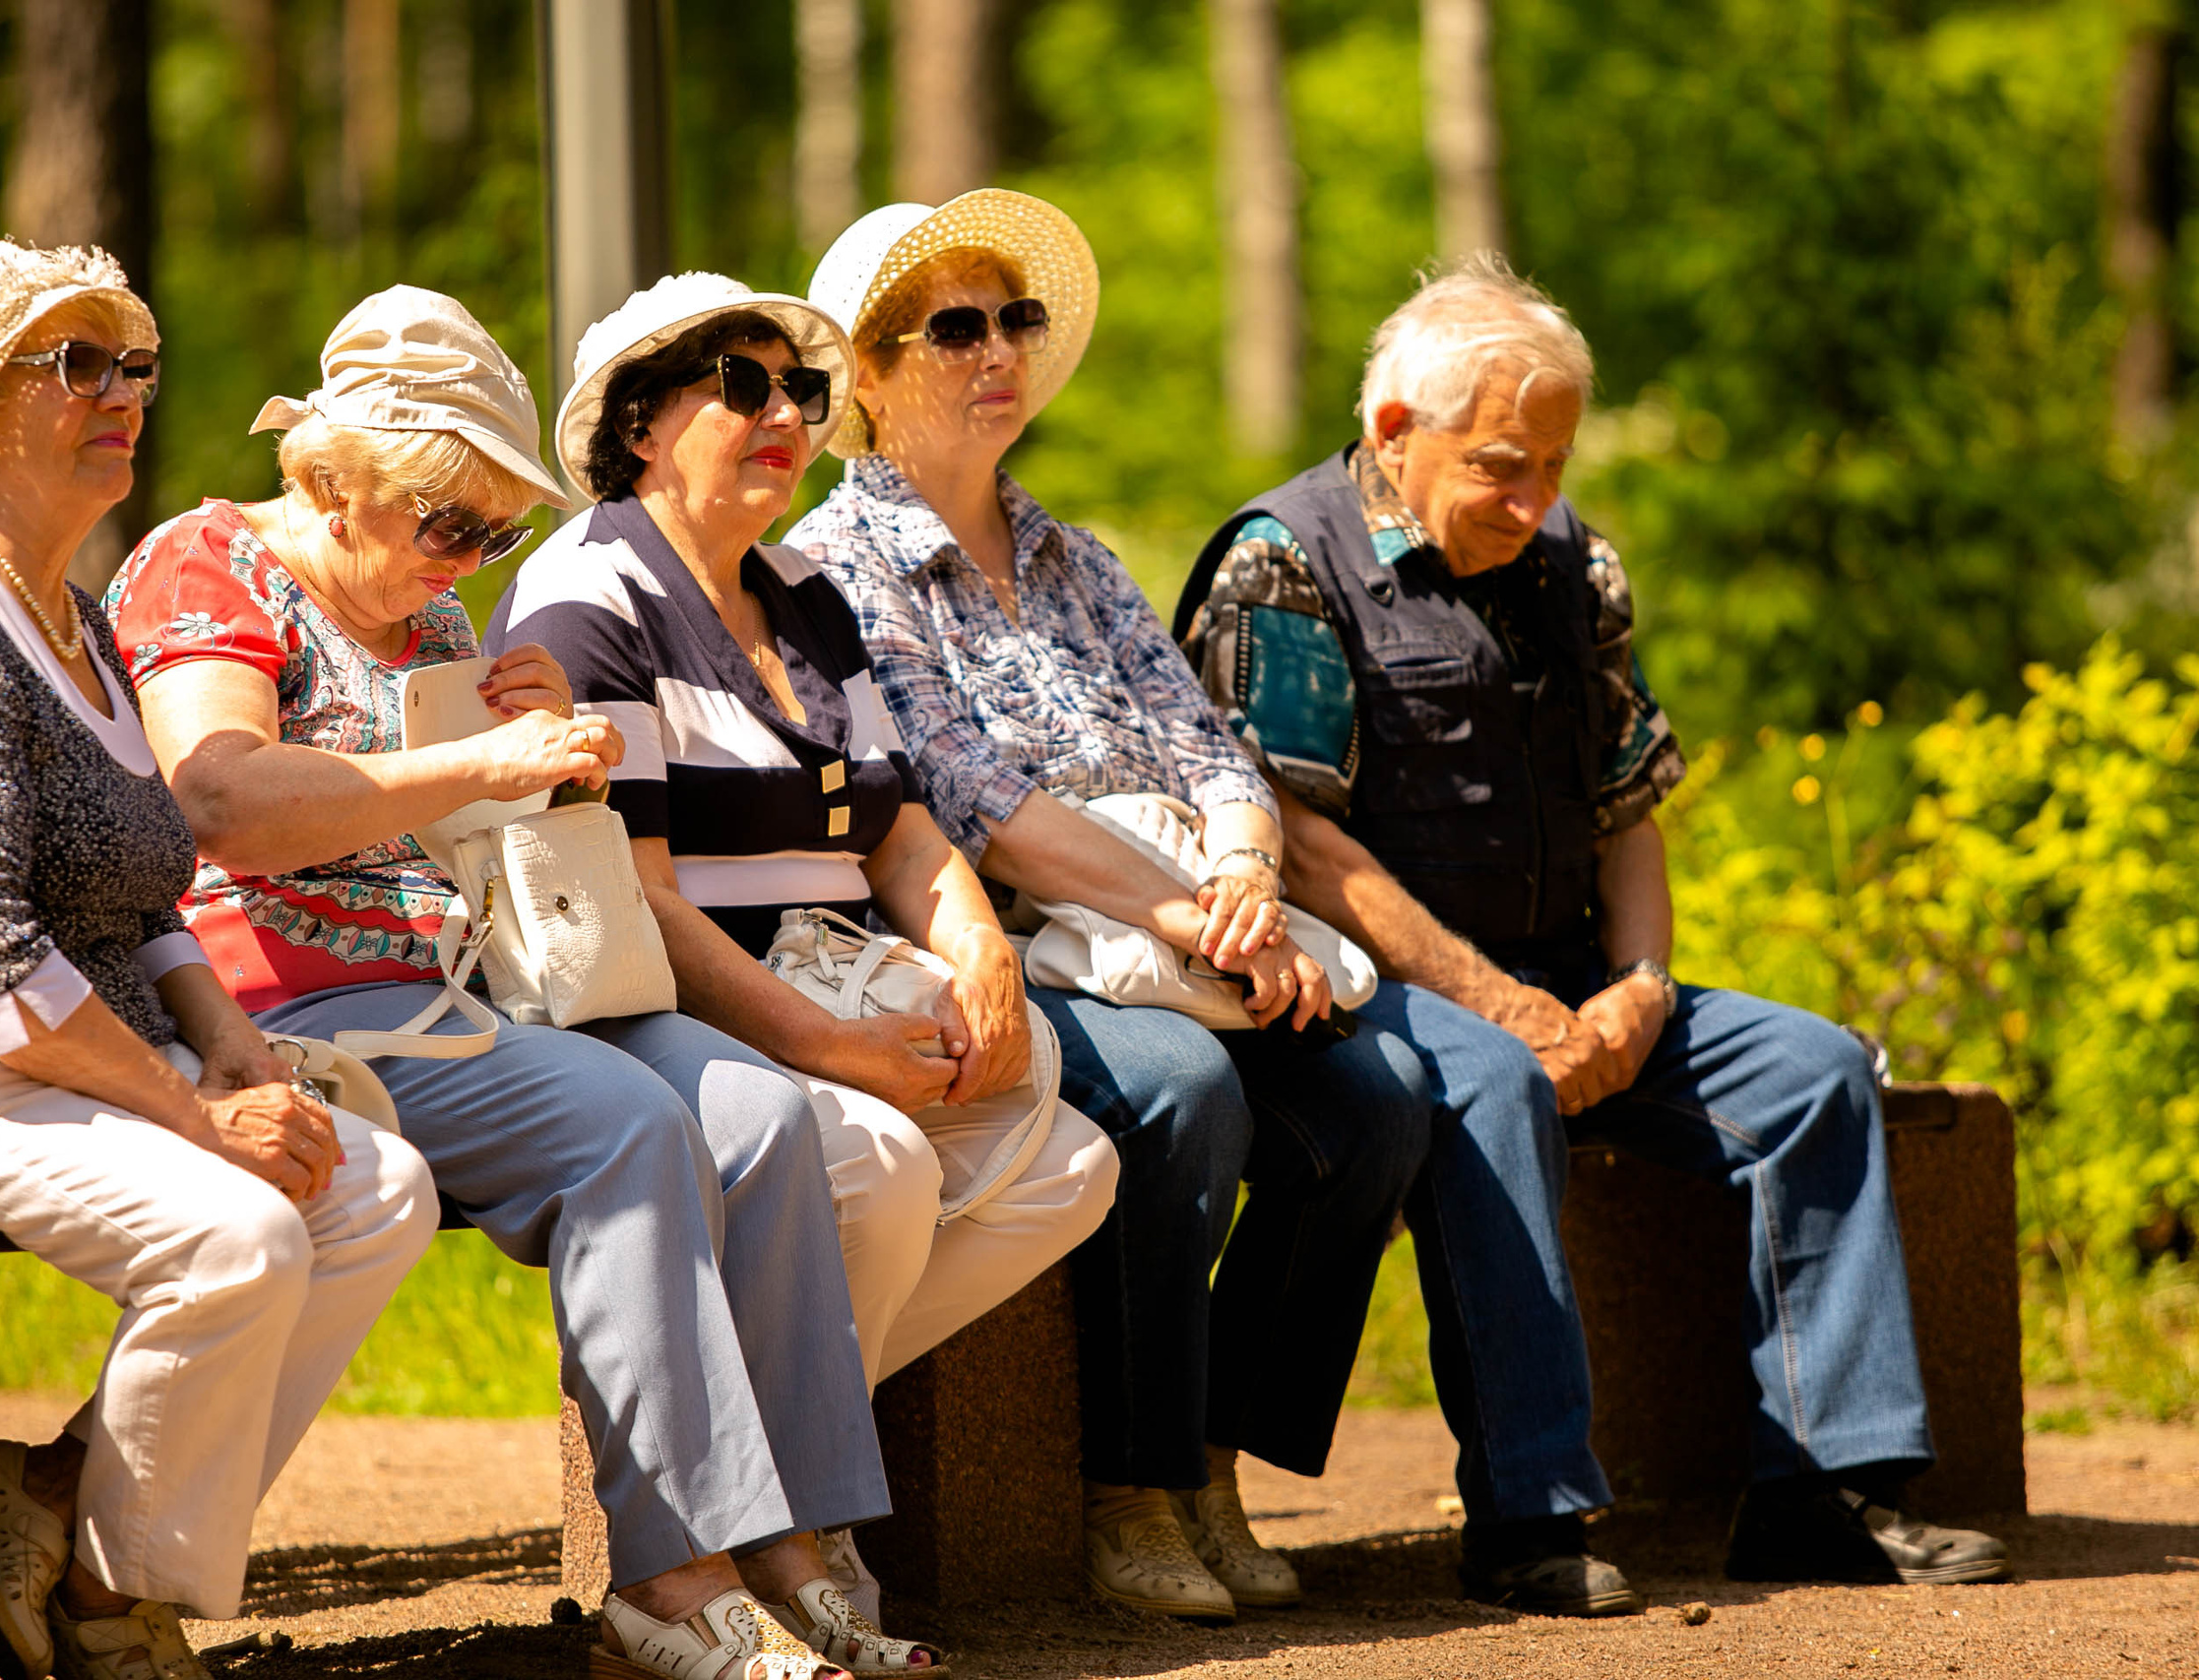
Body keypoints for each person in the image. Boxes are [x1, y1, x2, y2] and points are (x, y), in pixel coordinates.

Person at [1173, 251, 2012, 1612]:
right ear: (1396, 431)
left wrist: (1639, 985)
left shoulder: (1576, 560)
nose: (1537, 499)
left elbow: (1631, 811)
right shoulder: (1282, 562)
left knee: (1813, 1073)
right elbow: (1304, 848)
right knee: (1497, 1084)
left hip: (1563, 971)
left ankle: (1824, 1494)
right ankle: (1528, 1514)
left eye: (1555, 465)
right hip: (1365, 991)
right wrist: (1507, 1009)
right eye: (1505, 465)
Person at [109, 285, 907, 1680]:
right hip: (270, 997)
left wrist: (538, 748)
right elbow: (219, 799)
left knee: (761, 1117)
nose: (469, 554)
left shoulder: (432, 618)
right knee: (627, 1125)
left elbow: (473, 838)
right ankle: (671, 1577)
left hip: (459, 987)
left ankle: (796, 1540)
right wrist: (481, 765)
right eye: (449, 524)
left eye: (497, 529)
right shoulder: (210, 564)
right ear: (333, 479)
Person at [0, 231, 437, 1680]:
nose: (128, 392)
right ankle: (112, 1619)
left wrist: (225, 1037)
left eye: (137, 365)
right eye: (79, 365)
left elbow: (137, 887)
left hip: (46, 1052)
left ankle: (57, 1512)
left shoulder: (72, 615)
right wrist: (196, 1113)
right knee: (233, 1234)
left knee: (374, 1191)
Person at [786, 192, 1433, 1624]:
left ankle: (1209, 1463)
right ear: (872, 375)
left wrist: (1250, 873)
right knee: (1182, 1090)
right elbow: (972, 802)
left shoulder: (1077, 556)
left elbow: (1209, 743)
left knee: (1384, 1099)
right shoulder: (839, 569)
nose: (998, 350)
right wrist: (1197, 915)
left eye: (1015, 319)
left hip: (1196, 923)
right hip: (1015, 947)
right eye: (954, 326)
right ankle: (1128, 1495)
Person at [488, 272, 1118, 1619]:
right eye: (746, 386)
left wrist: (981, 955)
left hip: (843, 988)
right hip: (676, 1015)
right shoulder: (587, 593)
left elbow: (898, 832)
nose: (786, 415)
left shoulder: (806, 586)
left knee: (1072, 1163)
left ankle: (750, 1456)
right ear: (645, 422)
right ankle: (802, 1526)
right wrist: (833, 1049)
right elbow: (640, 896)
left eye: (806, 391)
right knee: (879, 1160)